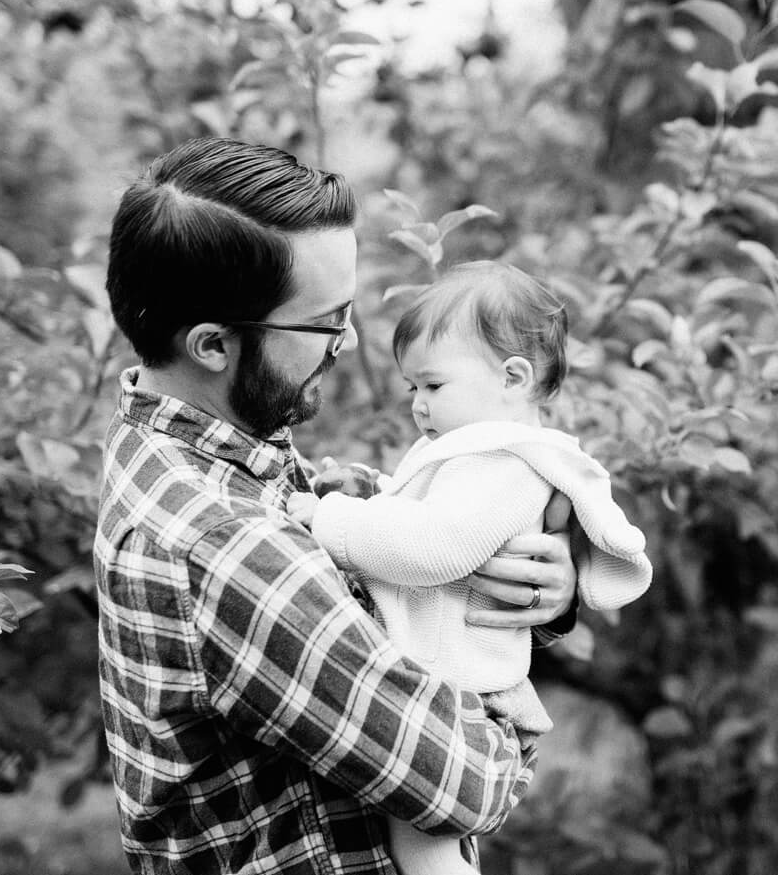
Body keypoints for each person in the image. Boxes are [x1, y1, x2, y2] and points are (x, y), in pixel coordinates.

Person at [96, 137, 580, 875]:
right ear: (212, 345)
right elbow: (466, 784)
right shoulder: (227, 550)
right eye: (325, 321)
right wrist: (506, 702)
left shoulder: (193, 445)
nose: (349, 341)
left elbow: (362, 527)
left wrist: (535, 580)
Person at [287, 262, 653, 875]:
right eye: (411, 390)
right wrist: (370, 488)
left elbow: (437, 548)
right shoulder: (475, 455)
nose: (418, 406)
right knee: (428, 841)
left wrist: (327, 520)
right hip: (457, 688)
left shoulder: (503, 465)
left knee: (424, 845)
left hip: (462, 694)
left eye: (432, 386)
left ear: (512, 377)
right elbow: (437, 515)